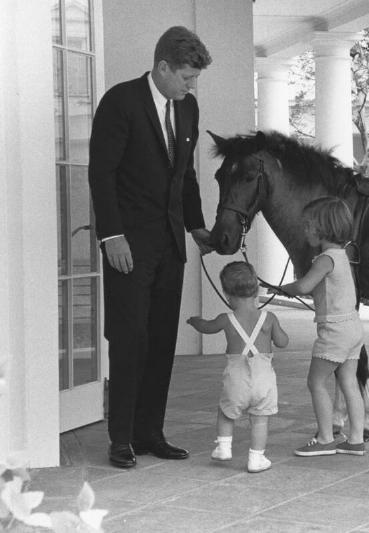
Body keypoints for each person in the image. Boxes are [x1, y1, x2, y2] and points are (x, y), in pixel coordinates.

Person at [88, 26, 214, 469]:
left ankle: (149, 433)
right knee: (130, 338)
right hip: (127, 245)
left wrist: (197, 227)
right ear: (162, 67)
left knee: (161, 339)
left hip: (170, 246)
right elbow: (101, 174)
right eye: (186, 77)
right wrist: (111, 235)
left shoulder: (188, 108)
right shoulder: (120, 102)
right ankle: (120, 438)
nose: (191, 86)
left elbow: (186, 174)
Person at [278, 197, 367, 457]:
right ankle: (356, 439)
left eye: (308, 226)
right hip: (353, 327)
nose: (304, 231)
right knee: (349, 382)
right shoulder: (342, 256)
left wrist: (282, 288)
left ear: (322, 228)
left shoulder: (325, 259)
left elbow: (304, 287)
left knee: (316, 381)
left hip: (335, 331)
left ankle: (326, 438)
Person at [187, 262, 288, 473]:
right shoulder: (269, 318)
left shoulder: (226, 319)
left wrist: (195, 321)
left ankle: (224, 447)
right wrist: (278, 333)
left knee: (226, 412)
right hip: (264, 380)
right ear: (257, 289)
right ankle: (256, 459)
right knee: (260, 420)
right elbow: (282, 342)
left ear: (227, 294)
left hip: (236, 379)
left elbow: (206, 327)